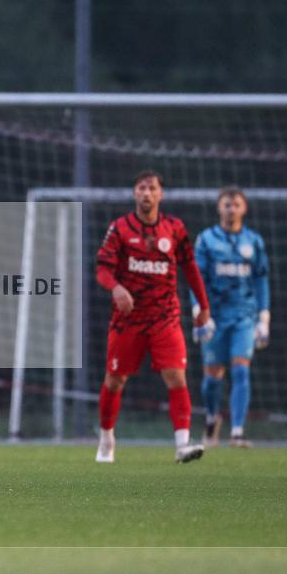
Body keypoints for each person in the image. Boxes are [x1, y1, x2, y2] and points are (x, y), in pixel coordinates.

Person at [94, 169, 213, 464]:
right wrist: (116, 287)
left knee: (176, 375)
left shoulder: (175, 228)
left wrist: (204, 305)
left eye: (152, 188)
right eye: (141, 188)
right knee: (114, 380)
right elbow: (103, 270)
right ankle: (107, 438)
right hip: (128, 319)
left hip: (165, 316)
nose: (146, 193)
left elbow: (190, 268)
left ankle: (182, 445)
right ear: (134, 193)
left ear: (161, 194)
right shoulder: (120, 228)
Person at [191, 186, 270, 449]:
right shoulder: (206, 239)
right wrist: (199, 313)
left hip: (244, 316)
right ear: (219, 208)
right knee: (212, 377)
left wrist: (264, 318)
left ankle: (237, 431)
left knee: (240, 369)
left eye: (236, 205)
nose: (231, 209)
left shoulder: (254, 241)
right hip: (214, 315)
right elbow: (197, 278)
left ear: (244, 208)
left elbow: (261, 280)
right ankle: (212, 417)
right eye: (227, 204)